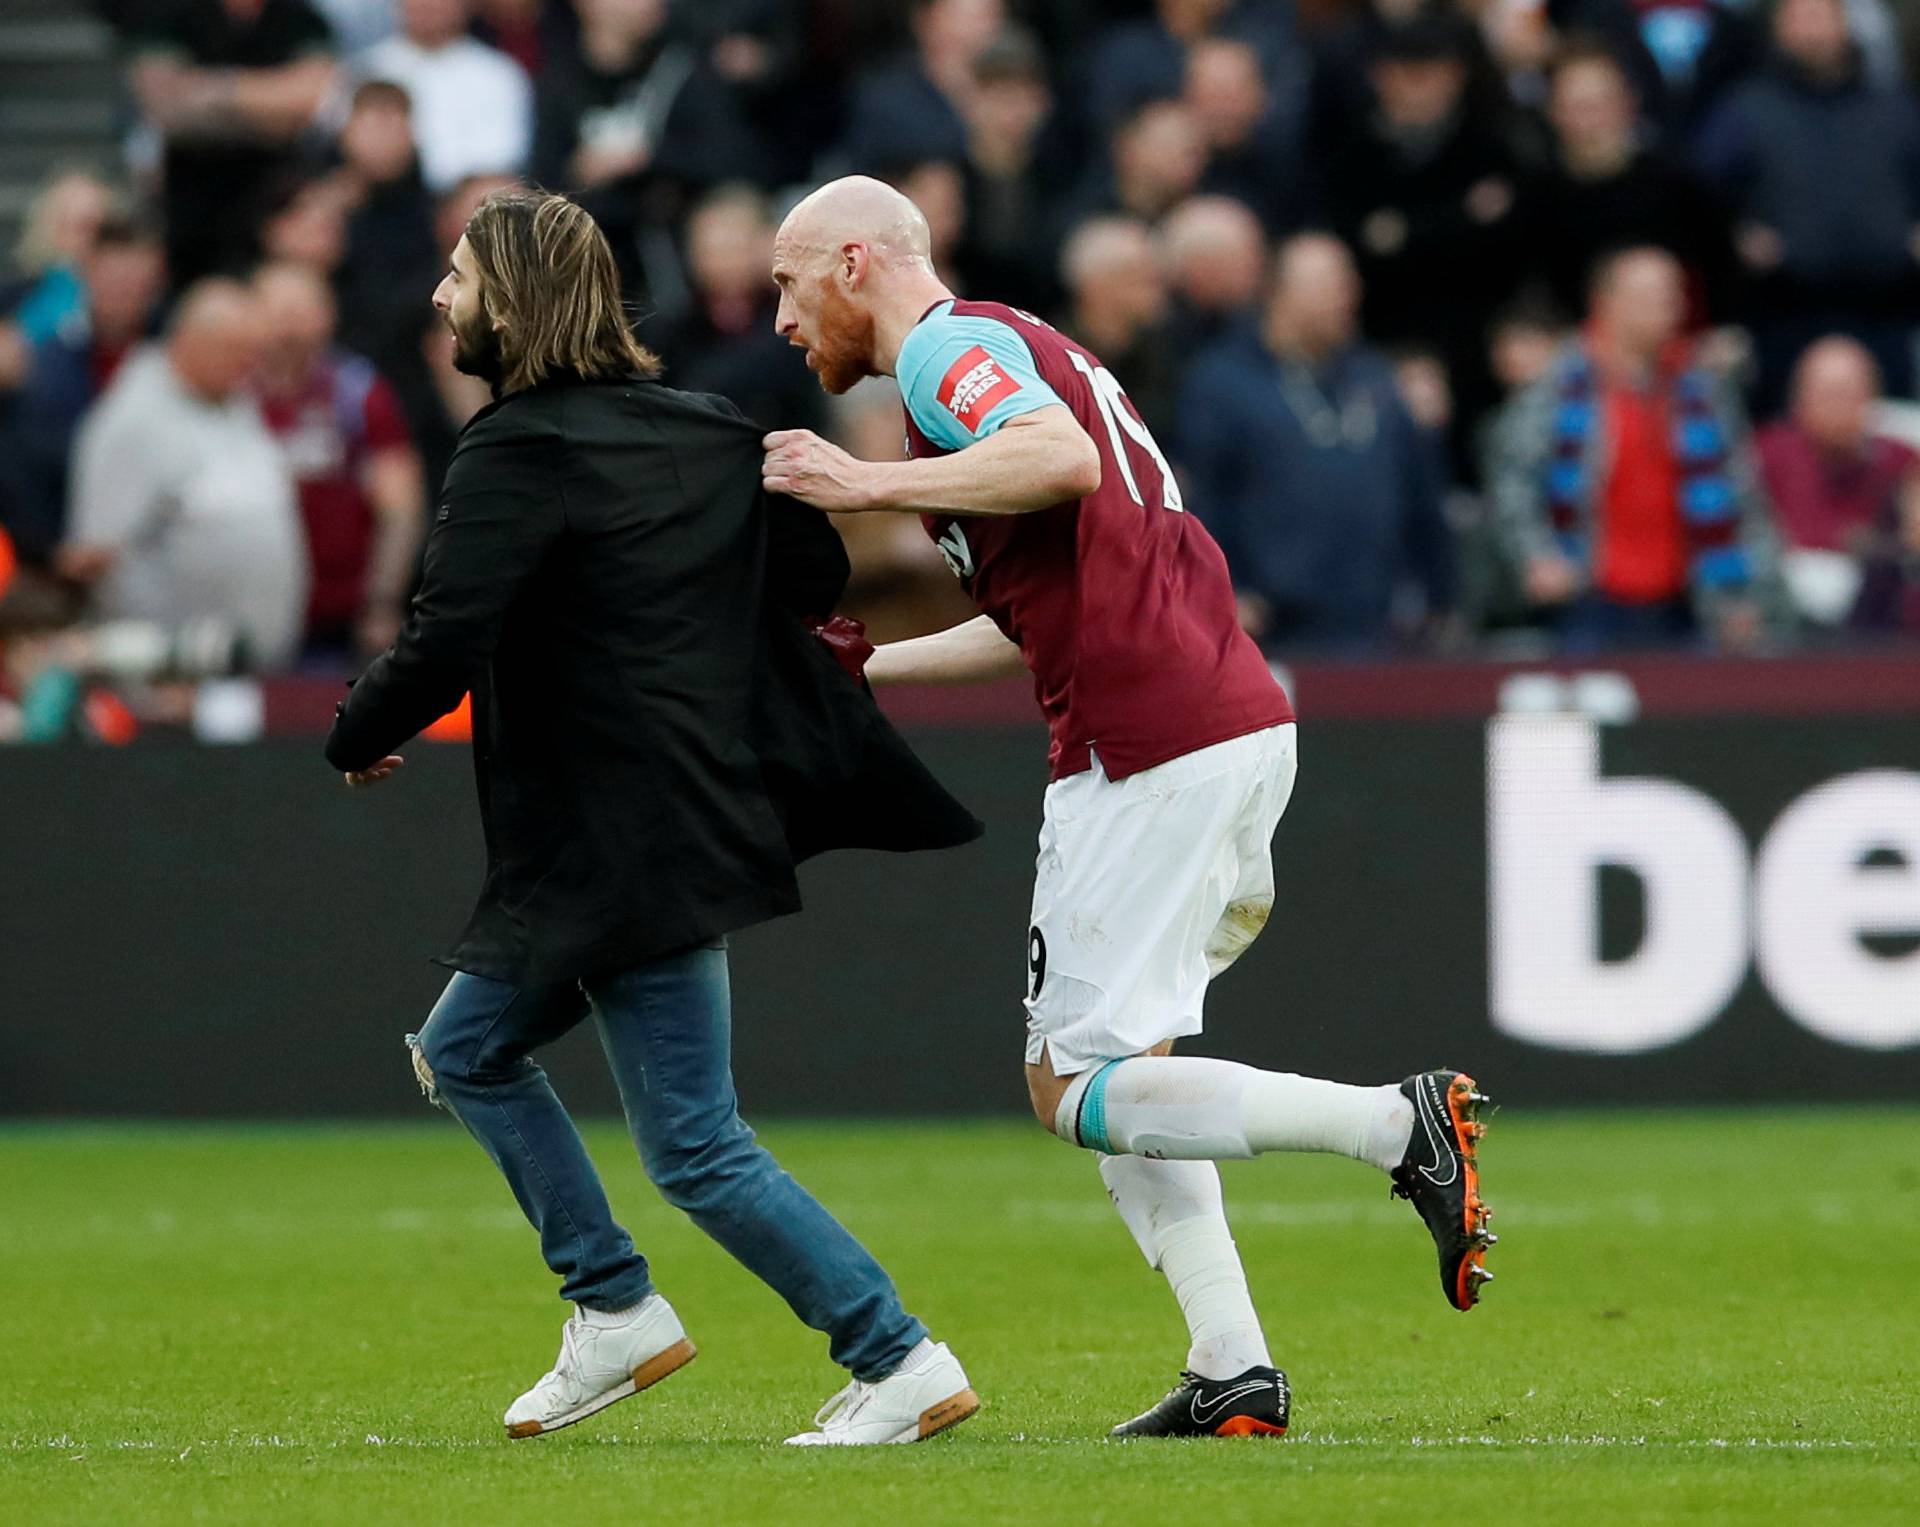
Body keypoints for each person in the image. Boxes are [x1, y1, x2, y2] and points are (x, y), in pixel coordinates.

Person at [762, 175, 1496, 1441]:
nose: (777, 319)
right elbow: (1026, 609)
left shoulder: (948, 350)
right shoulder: (998, 364)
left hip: (1150, 739)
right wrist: (861, 675)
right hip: (1214, 717)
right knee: (1125, 1069)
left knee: (1070, 1082)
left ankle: (1396, 1124)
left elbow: (1058, 460)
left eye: (784, 284)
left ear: (851, 264)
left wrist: (859, 489)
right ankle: (1233, 1370)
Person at [324, 188, 984, 1448]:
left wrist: (355, 732)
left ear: (510, 300)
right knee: (464, 1049)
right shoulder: (707, 426)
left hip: (617, 844)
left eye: (459, 275)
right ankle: (615, 1307)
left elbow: (445, 634)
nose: (439, 297)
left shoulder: (517, 448)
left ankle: (892, 1356)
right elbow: (804, 578)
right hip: (662, 823)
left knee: (694, 1147)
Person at [1487, 246, 1779, 651]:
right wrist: (1535, 557)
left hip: (1688, 602)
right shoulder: (1558, 385)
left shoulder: (1702, 391)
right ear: (1606, 304)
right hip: (1587, 601)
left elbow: (1742, 495)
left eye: (1674, 294)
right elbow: (1511, 478)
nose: (1670, 307)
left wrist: (1745, 595)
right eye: (1652, 296)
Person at [1177, 233, 1455, 651]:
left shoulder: (1376, 378)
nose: (1345, 298)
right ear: (1278, 293)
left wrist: (1440, 591)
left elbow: (1420, 491)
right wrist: (1225, 589)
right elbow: (1203, 496)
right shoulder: (1224, 382)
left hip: (1380, 626)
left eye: (1348, 284)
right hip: (1273, 627)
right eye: (1327, 286)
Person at [62, 278, 308, 669]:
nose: (249, 366)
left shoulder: (233, 402)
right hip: (171, 675)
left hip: (252, 665)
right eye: (236, 351)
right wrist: (156, 657)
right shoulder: (132, 421)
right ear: (190, 341)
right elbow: (96, 559)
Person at [1693, 0, 1920, 413]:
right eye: (1800, 19)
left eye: (1823, 17)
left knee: (1891, 444)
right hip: (1784, 315)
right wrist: (1736, 238)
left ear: (1845, 26)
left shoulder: (1894, 107)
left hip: (1888, 312)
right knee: (1784, 449)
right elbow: (1699, 192)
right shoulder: (1745, 108)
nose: (1813, 31)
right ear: (1778, 30)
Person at [253, 261, 425, 659]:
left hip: (337, 620)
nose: (288, 331)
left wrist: (381, 603)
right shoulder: (231, 392)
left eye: (300, 314)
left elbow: (400, 508)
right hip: (246, 611)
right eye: (278, 315)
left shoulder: (357, 393)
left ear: (327, 316)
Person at [124, 0, 337, 287]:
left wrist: (215, 89)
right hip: (190, 211)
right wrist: (269, 105)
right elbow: (166, 105)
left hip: (272, 202)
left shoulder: (302, 19)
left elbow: (312, 98)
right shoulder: (170, 17)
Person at [0, 213, 166, 572]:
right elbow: (19, 470)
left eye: (135, 282)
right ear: (87, 274)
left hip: (151, 563)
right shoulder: (39, 365)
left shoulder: (171, 362)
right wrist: (50, 550)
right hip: (58, 561)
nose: (123, 293)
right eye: (113, 279)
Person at [1757, 335, 1920, 628]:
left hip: (1881, 622)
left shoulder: (1901, 459)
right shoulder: (1767, 453)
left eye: (1850, 394)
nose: (1840, 407)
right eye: (1829, 394)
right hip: (1790, 620)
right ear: (1799, 399)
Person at [355, 0, 532, 194]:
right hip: (384, 200)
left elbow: (500, 162)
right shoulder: (365, 71)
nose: (429, 4)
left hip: (469, 206)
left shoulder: (501, 75)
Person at [1055, 216, 1179, 448]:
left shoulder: (1164, 357)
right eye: (1143, 279)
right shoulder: (1051, 358)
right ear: (1098, 285)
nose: (1158, 292)